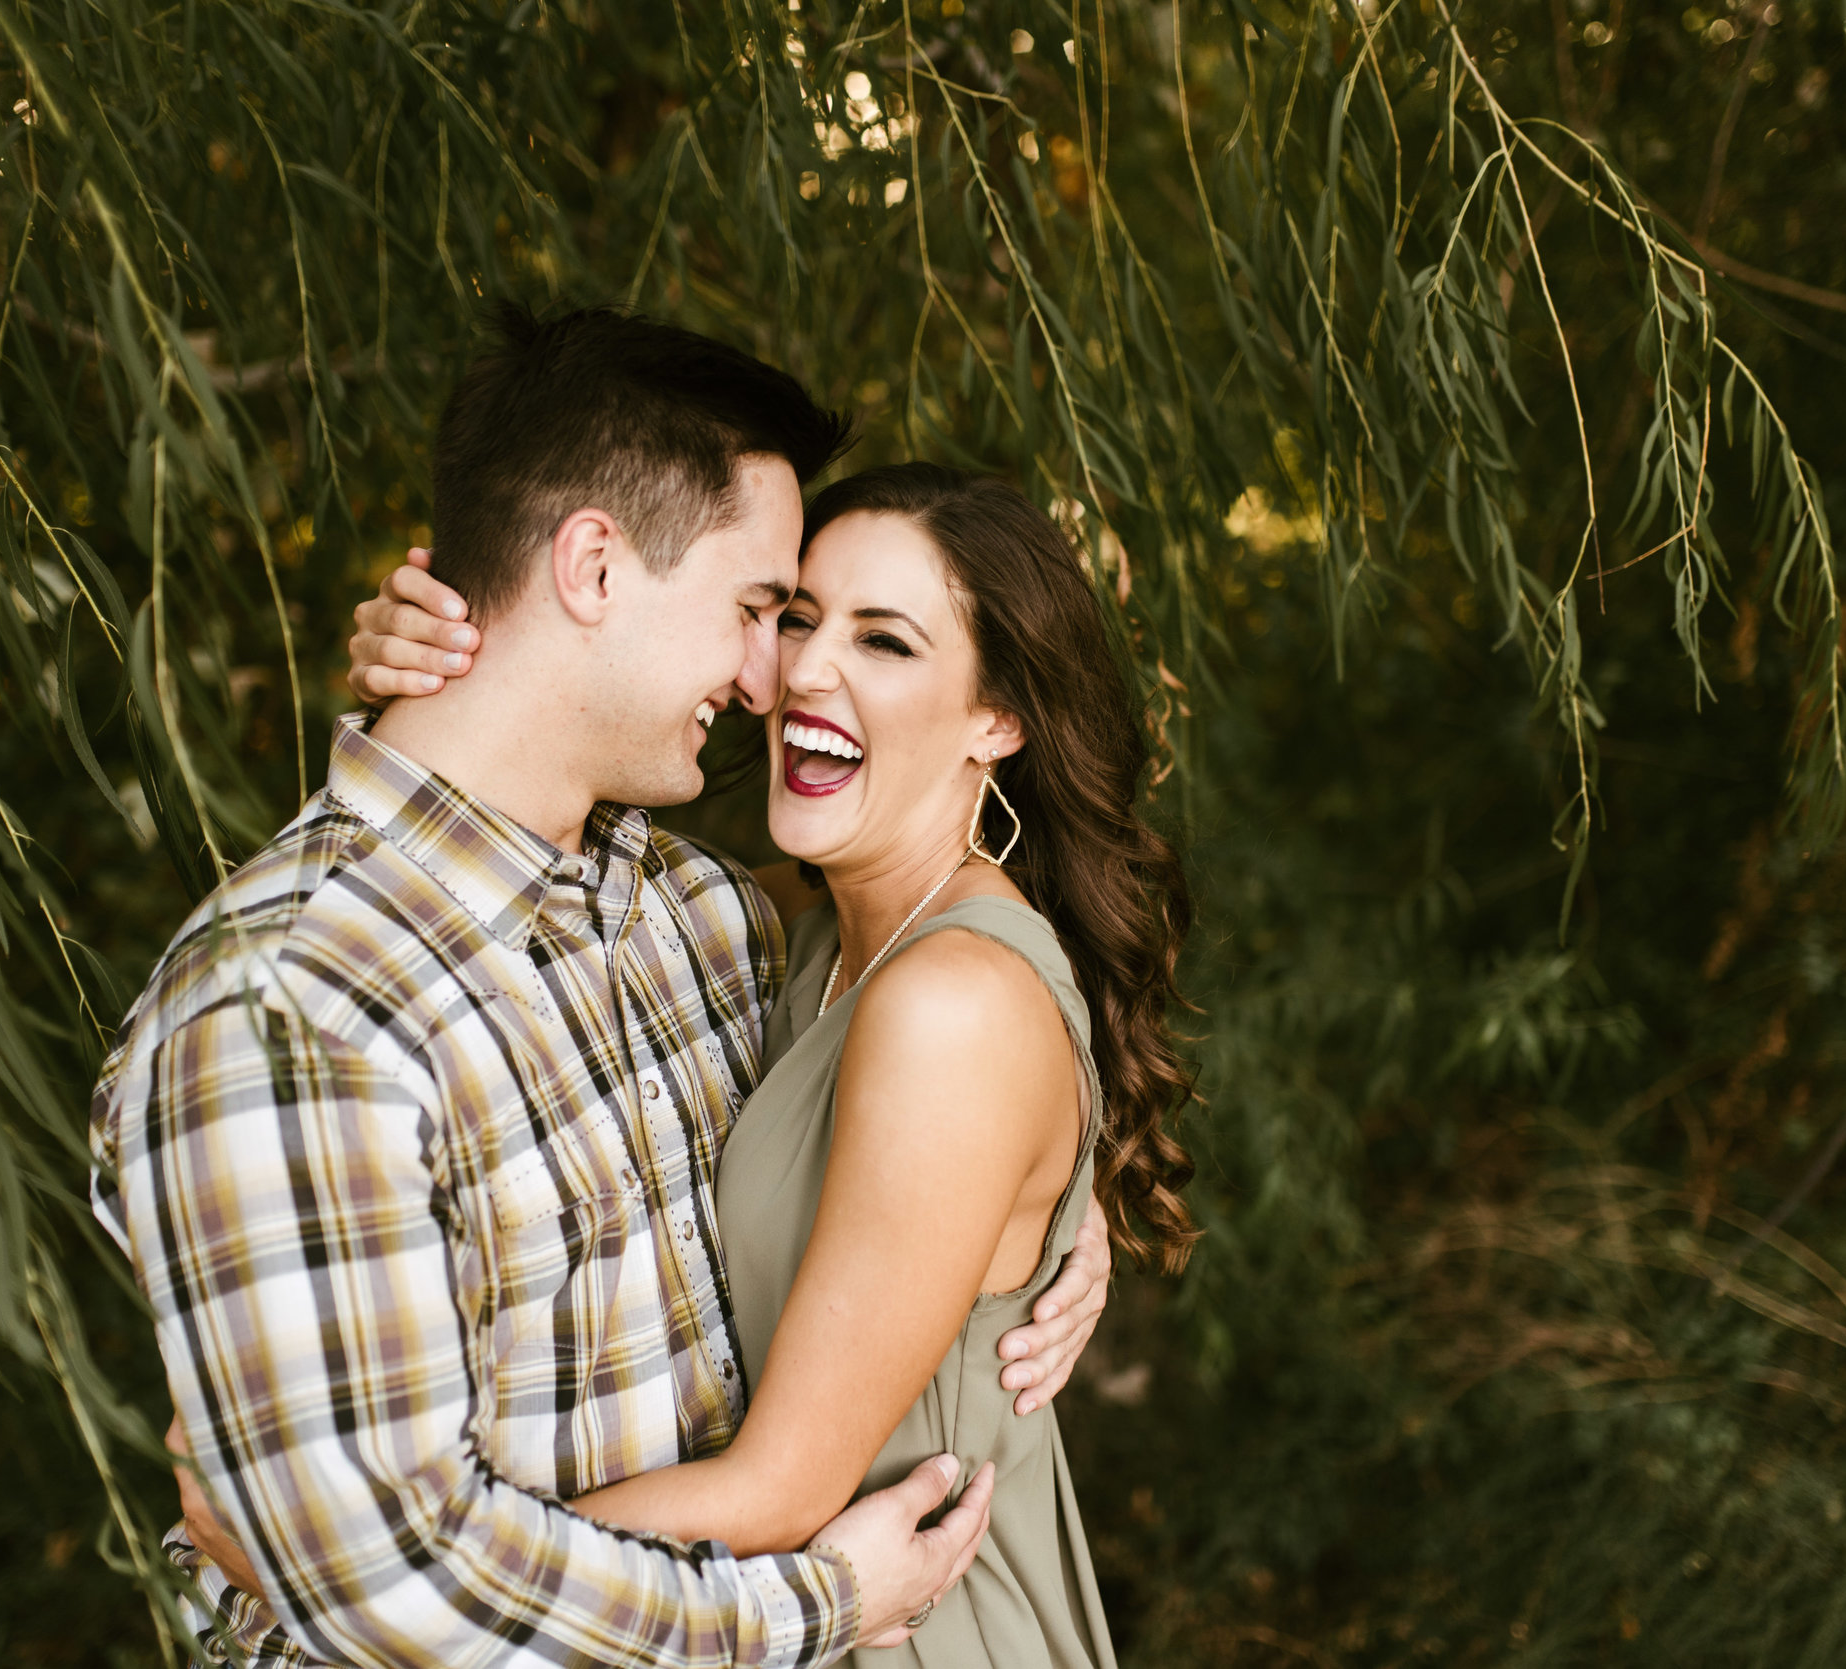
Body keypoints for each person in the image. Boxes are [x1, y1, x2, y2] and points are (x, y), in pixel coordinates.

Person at [91, 307, 1110, 1669]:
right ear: (591, 563)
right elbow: (395, 1604)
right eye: (768, 609)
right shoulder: (282, 1014)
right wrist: (810, 1606)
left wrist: (1041, 1225)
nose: (774, 678)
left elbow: (931, 1041)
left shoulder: (694, 922)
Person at [345, 462, 1200, 1666]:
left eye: (886, 641)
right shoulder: (797, 930)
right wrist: (449, 678)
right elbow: (470, 905)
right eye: (795, 616)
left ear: (995, 720)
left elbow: (777, 1492)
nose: (804, 666)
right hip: (785, 1621)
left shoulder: (949, 1005)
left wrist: (370, 1594)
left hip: (912, 1620)